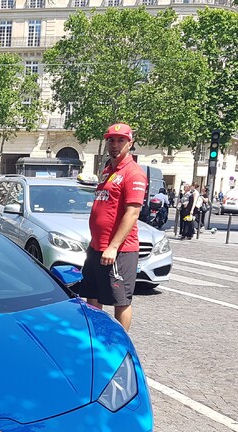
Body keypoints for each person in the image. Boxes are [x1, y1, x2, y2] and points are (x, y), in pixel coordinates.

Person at [76, 123, 147, 332]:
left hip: (118, 251)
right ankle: (96, 337)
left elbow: (132, 213)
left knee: (120, 299)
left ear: (130, 143)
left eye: (120, 140)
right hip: (97, 247)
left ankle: (120, 343)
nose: (115, 145)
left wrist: (113, 246)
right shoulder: (108, 170)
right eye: (111, 140)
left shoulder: (133, 173)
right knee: (92, 293)